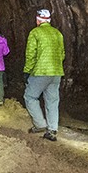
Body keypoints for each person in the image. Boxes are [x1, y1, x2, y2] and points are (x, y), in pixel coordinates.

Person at [23, 8, 65, 141]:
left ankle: (40, 124)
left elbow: (31, 54)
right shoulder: (58, 33)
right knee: (52, 101)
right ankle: (52, 129)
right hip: (56, 72)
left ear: (38, 19)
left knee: (30, 96)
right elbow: (62, 54)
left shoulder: (35, 33)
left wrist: (27, 71)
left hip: (41, 71)